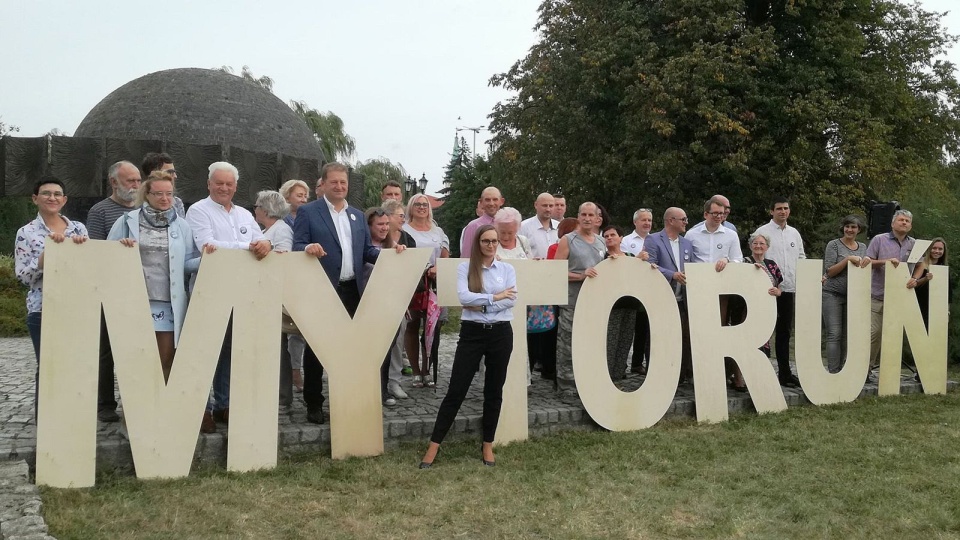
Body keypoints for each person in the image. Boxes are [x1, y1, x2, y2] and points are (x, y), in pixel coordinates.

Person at [293, 163, 405, 424]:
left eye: (343, 182)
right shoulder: (309, 212)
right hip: (322, 289)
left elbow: (367, 251)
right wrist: (308, 247)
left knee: (352, 349)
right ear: (323, 184)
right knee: (317, 349)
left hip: (352, 290)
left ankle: (348, 402)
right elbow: (297, 245)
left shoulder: (356, 216)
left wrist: (390, 256)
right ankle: (314, 403)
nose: (340, 187)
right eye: (334, 182)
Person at [419, 225, 517, 469]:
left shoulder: (507, 269)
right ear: (478, 243)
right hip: (472, 334)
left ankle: (487, 444)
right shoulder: (466, 268)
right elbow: (464, 298)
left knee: (494, 391)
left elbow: (512, 299)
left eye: (494, 241)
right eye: (486, 241)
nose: (491, 245)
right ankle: (434, 445)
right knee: (456, 389)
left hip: (501, 334)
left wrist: (482, 304)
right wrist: (495, 298)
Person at [186, 161, 272, 432]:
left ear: (236, 186)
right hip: (209, 289)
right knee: (206, 349)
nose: (224, 188)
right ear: (209, 184)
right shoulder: (198, 210)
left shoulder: (245, 215)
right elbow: (207, 246)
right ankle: (203, 408)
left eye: (229, 184)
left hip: (241, 290)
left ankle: (225, 404)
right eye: (219, 183)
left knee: (230, 351)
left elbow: (261, 241)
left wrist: (266, 244)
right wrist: (249, 247)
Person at [107, 171, 203, 384]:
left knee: (165, 360)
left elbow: (186, 264)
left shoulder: (182, 225)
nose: (164, 198)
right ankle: (135, 414)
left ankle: (160, 412)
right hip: (136, 300)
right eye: (158, 193)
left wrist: (207, 260)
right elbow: (108, 257)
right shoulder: (125, 222)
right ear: (147, 194)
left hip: (168, 303)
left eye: (169, 194)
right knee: (136, 362)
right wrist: (120, 250)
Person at [14, 178, 89, 417]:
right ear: (35, 198)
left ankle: (74, 421)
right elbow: (23, 276)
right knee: (49, 369)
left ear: (64, 200)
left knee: (77, 369)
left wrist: (82, 251)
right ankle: (47, 426)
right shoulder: (26, 233)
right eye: (46, 193)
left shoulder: (78, 229)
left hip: (77, 309)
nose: (52, 197)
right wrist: (43, 260)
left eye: (57, 194)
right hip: (43, 310)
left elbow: (90, 270)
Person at [84, 160, 142, 423]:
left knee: (138, 350)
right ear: (113, 182)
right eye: (130, 180)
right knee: (106, 351)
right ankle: (105, 404)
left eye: (138, 180)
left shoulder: (146, 210)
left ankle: (136, 402)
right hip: (111, 289)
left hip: (143, 290)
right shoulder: (100, 211)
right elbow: (96, 251)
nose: (135, 185)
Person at [554, 202, 607, 395]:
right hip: (572, 302)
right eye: (583, 214)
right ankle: (566, 386)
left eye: (590, 215)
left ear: (596, 218)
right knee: (568, 345)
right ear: (578, 216)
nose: (586, 218)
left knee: (591, 343)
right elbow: (555, 271)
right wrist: (580, 275)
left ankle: (589, 382)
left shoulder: (601, 242)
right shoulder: (568, 240)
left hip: (594, 303)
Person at [253, 190, 299, 411]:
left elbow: (284, 258)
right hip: (264, 295)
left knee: (279, 349)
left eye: (257, 206)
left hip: (275, 295)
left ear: (265, 209)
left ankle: (283, 397)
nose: (255, 210)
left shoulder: (281, 230)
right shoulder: (267, 230)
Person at [753, 197, 805, 387]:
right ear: (771, 211)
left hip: (788, 289)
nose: (783, 211)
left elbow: (801, 257)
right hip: (767, 291)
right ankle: (760, 373)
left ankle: (785, 374)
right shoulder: (762, 232)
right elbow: (757, 257)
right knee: (762, 332)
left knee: (784, 332)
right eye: (779, 208)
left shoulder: (794, 233)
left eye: (786, 208)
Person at [645, 207, 700, 384]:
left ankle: (680, 375)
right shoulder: (653, 239)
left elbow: (691, 268)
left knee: (683, 338)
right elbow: (649, 266)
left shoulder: (687, 244)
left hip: (682, 300)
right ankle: (655, 374)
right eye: (683, 219)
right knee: (658, 338)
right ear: (670, 220)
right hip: (661, 298)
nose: (686, 222)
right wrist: (672, 274)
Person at [402, 193, 450, 393]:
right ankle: (415, 371)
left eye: (425, 204)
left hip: (434, 284)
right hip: (413, 283)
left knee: (432, 328)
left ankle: (427, 369)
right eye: (417, 204)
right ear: (411, 207)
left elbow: (446, 254)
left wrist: (438, 268)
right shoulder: (404, 229)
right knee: (412, 326)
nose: (422, 207)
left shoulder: (438, 231)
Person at [865, 209, 916, 382]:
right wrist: (885, 262)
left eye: (907, 221)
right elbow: (867, 262)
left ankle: (890, 373)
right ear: (893, 223)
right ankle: (865, 371)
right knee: (874, 334)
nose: (904, 223)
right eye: (901, 220)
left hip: (900, 298)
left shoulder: (914, 244)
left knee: (894, 335)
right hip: (878, 295)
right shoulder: (879, 239)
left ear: (910, 226)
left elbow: (923, 263)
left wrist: (915, 278)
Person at [822, 216, 870, 373]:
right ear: (842, 228)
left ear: (859, 229)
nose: (850, 230)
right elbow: (829, 271)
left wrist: (866, 262)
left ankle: (843, 370)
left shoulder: (862, 247)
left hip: (853, 296)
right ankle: (833, 370)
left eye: (853, 227)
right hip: (832, 294)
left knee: (846, 335)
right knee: (834, 334)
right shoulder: (834, 245)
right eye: (847, 226)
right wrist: (848, 259)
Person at [741, 232, 784, 390]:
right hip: (748, 309)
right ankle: (748, 377)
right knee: (750, 341)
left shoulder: (772, 264)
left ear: (767, 247)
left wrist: (778, 292)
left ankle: (762, 377)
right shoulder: (744, 262)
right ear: (750, 246)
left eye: (762, 244)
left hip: (767, 308)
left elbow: (779, 285)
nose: (758, 246)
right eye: (755, 243)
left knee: (765, 340)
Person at [278, 180, 309, 391]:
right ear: (287, 196)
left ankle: (297, 369)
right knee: (287, 329)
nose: (304, 199)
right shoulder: (282, 222)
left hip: (304, 279)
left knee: (302, 331)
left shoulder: (308, 218)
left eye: (306, 195)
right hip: (285, 278)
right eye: (299, 195)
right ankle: (292, 373)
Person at [602, 225, 637, 381]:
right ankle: (606, 378)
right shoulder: (602, 257)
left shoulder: (630, 256)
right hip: (611, 307)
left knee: (625, 342)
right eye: (606, 236)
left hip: (630, 304)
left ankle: (617, 377)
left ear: (621, 237)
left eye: (613, 235)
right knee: (610, 343)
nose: (609, 238)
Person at [620, 208, 653, 375]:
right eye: (643, 220)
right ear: (635, 222)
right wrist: (636, 259)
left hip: (650, 289)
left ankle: (639, 363)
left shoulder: (656, 240)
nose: (647, 223)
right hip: (631, 290)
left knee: (645, 329)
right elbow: (622, 263)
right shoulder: (626, 241)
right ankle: (622, 364)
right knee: (628, 330)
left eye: (649, 220)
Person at [912, 237, 948, 328]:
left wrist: (947, 309)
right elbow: (913, 284)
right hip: (920, 304)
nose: (937, 251)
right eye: (934, 248)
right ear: (929, 249)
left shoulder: (944, 267)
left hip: (936, 306)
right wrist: (925, 279)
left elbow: (947, 292)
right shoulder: (921, 264)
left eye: (940, 249)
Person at [460, 187, 504, 257]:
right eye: (487, 200)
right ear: (481, 202)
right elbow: (466, 257)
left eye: (495, 199)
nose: (491, 203)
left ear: (502, 201)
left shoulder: (507, 224)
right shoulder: (473, 226)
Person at [140, 152, 186, 216]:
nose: (175, 176)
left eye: (169, 194)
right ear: (154, 174)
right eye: (170, 172)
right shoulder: (134, 204)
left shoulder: (177, 203)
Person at [519, 193, 557, 259]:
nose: (548, 209)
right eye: (544, 206)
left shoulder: (559, 227)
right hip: (532, 268)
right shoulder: (523, 227)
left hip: (557, 268)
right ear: (536, 205)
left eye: (551, 206)